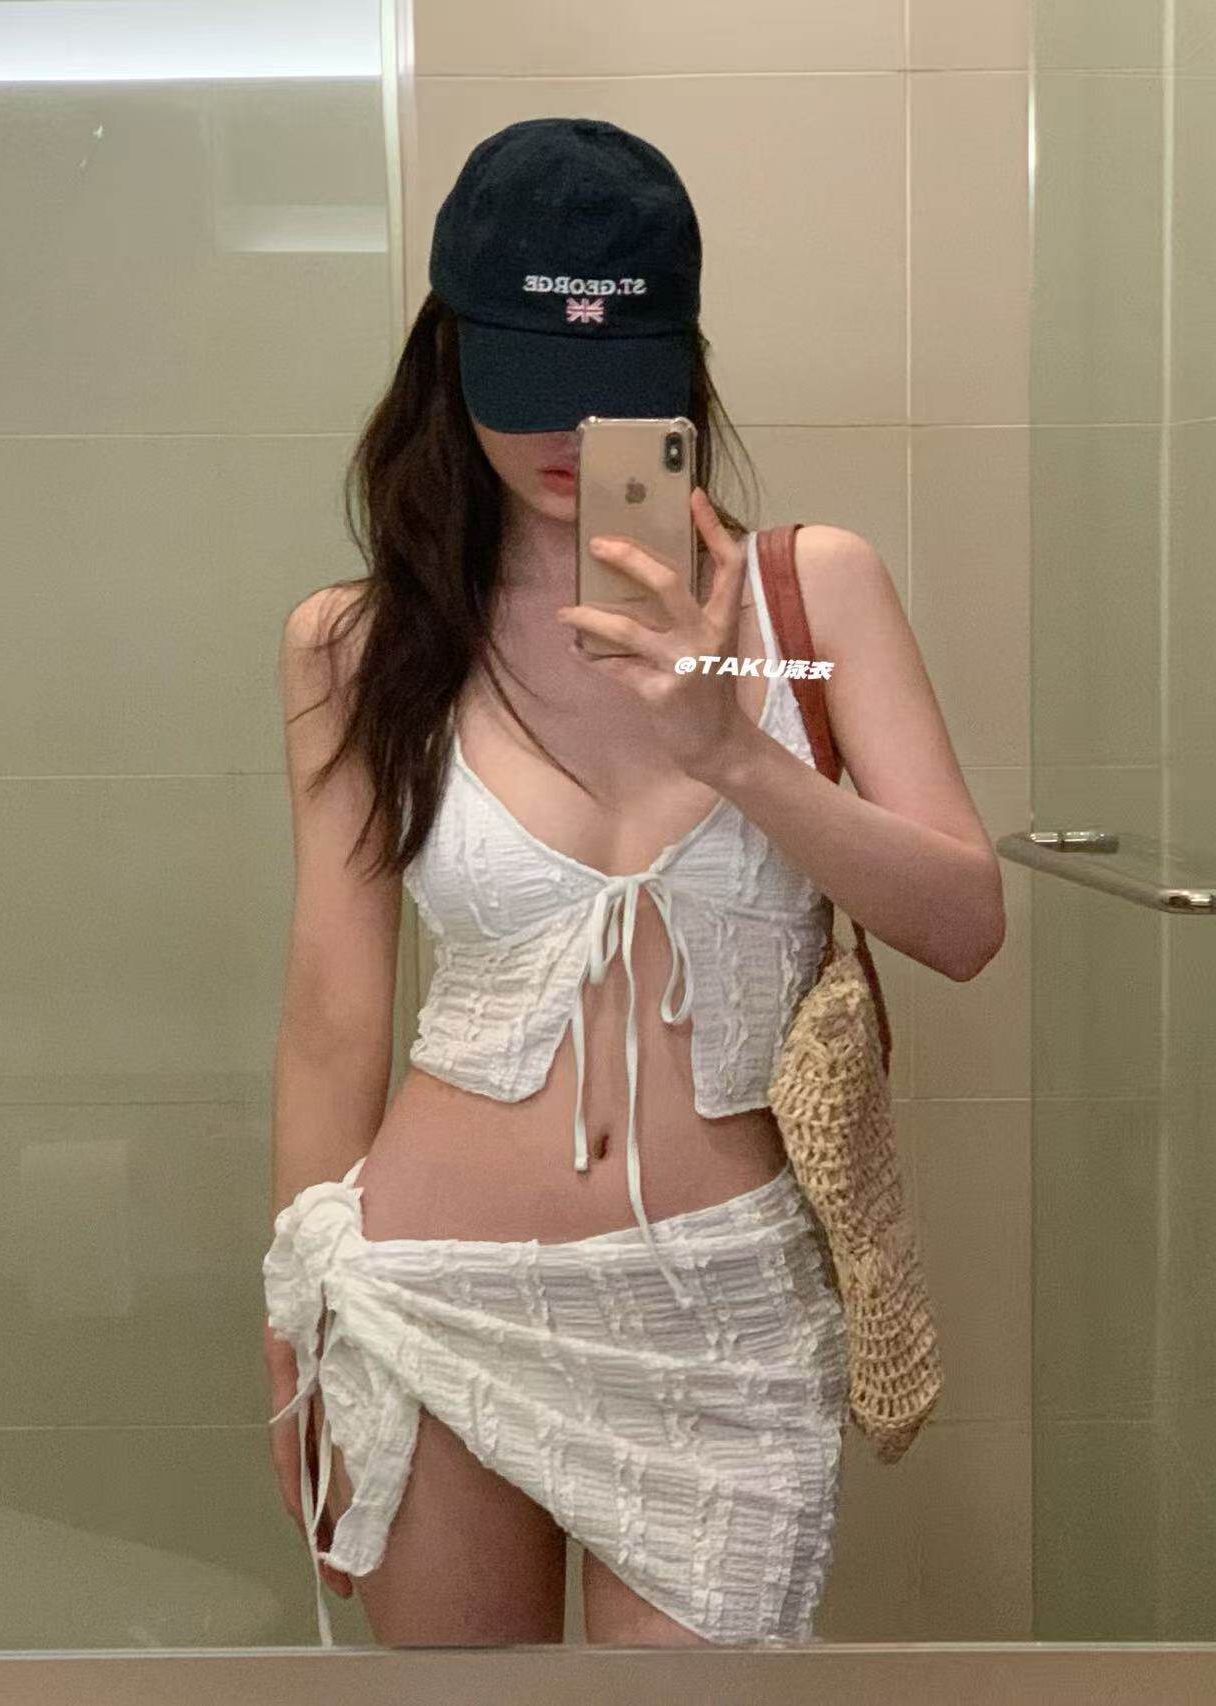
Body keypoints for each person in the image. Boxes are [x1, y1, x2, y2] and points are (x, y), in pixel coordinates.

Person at [262, 116, 1005, 1651]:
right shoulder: (356, 642)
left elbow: (963, 922)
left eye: (617, 383)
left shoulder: (810, 593)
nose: (571, 430)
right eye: (531, 378)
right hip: (430, 1291)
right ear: (450, 356)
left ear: (682, 364)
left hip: (724, 1317)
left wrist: (737, 751)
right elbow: (334, 1018)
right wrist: (297, 1321)